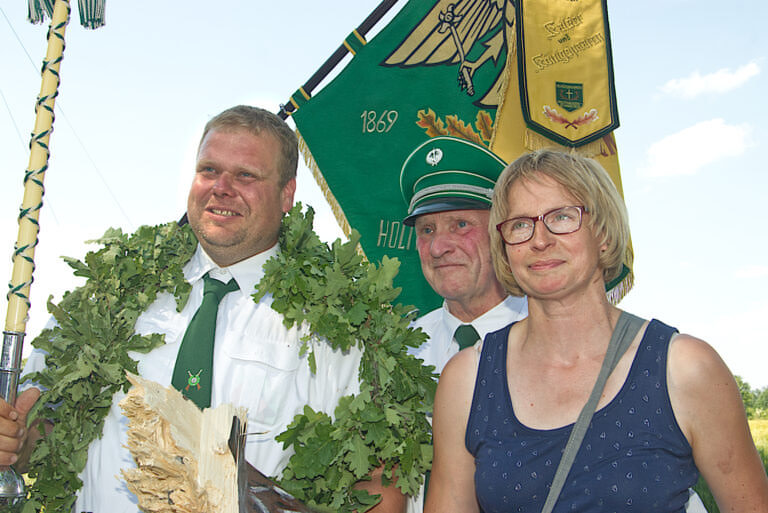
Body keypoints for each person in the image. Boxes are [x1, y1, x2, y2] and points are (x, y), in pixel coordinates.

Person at [0, 105, 405, 513]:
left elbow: (378, 489)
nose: (222, 187)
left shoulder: (337, 329)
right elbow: (39, 436)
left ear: (287, 194)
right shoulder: (108, 297)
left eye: (246, 175)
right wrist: (13, 440)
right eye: (209, 170)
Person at [425, 149, 768, 512]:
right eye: (521, 224)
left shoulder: (683, 368)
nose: (540, 240)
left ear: (603, 233)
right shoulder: (468, 379)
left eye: (562, 217)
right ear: (505, 247)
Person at [400, 136, 528, 375]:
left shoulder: (554, 337)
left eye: (460, 225)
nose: (438, 248)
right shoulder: (403, 352)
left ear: (501, 232)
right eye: (427, 230)